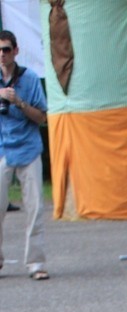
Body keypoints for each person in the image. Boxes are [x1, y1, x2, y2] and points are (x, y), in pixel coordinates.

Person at [0, 29, 48, 280]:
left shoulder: (29, 79)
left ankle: (36, 263)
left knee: (35, 208)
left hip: (29, 149)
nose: (2, 54)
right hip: (2, 150)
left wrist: (17, 101)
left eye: (6, 49)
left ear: (16, 51)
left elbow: (41, 117)